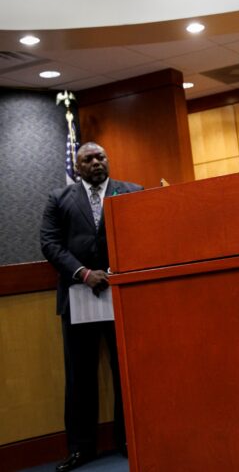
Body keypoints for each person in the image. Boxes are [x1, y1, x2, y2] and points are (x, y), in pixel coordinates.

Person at [40, 142, 143, 471]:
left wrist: (120, 271)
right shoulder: (59, 199)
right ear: (78, 166)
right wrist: (83, 273)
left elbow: (142, 236)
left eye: (101, 157)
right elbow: (50, 243)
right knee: (80, 376)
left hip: (122, 295)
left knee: (125, 372)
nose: (97, 162)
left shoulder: (132, 192)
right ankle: (81, 449)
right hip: (78, 297)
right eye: (89, 159)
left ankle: (129, 440)